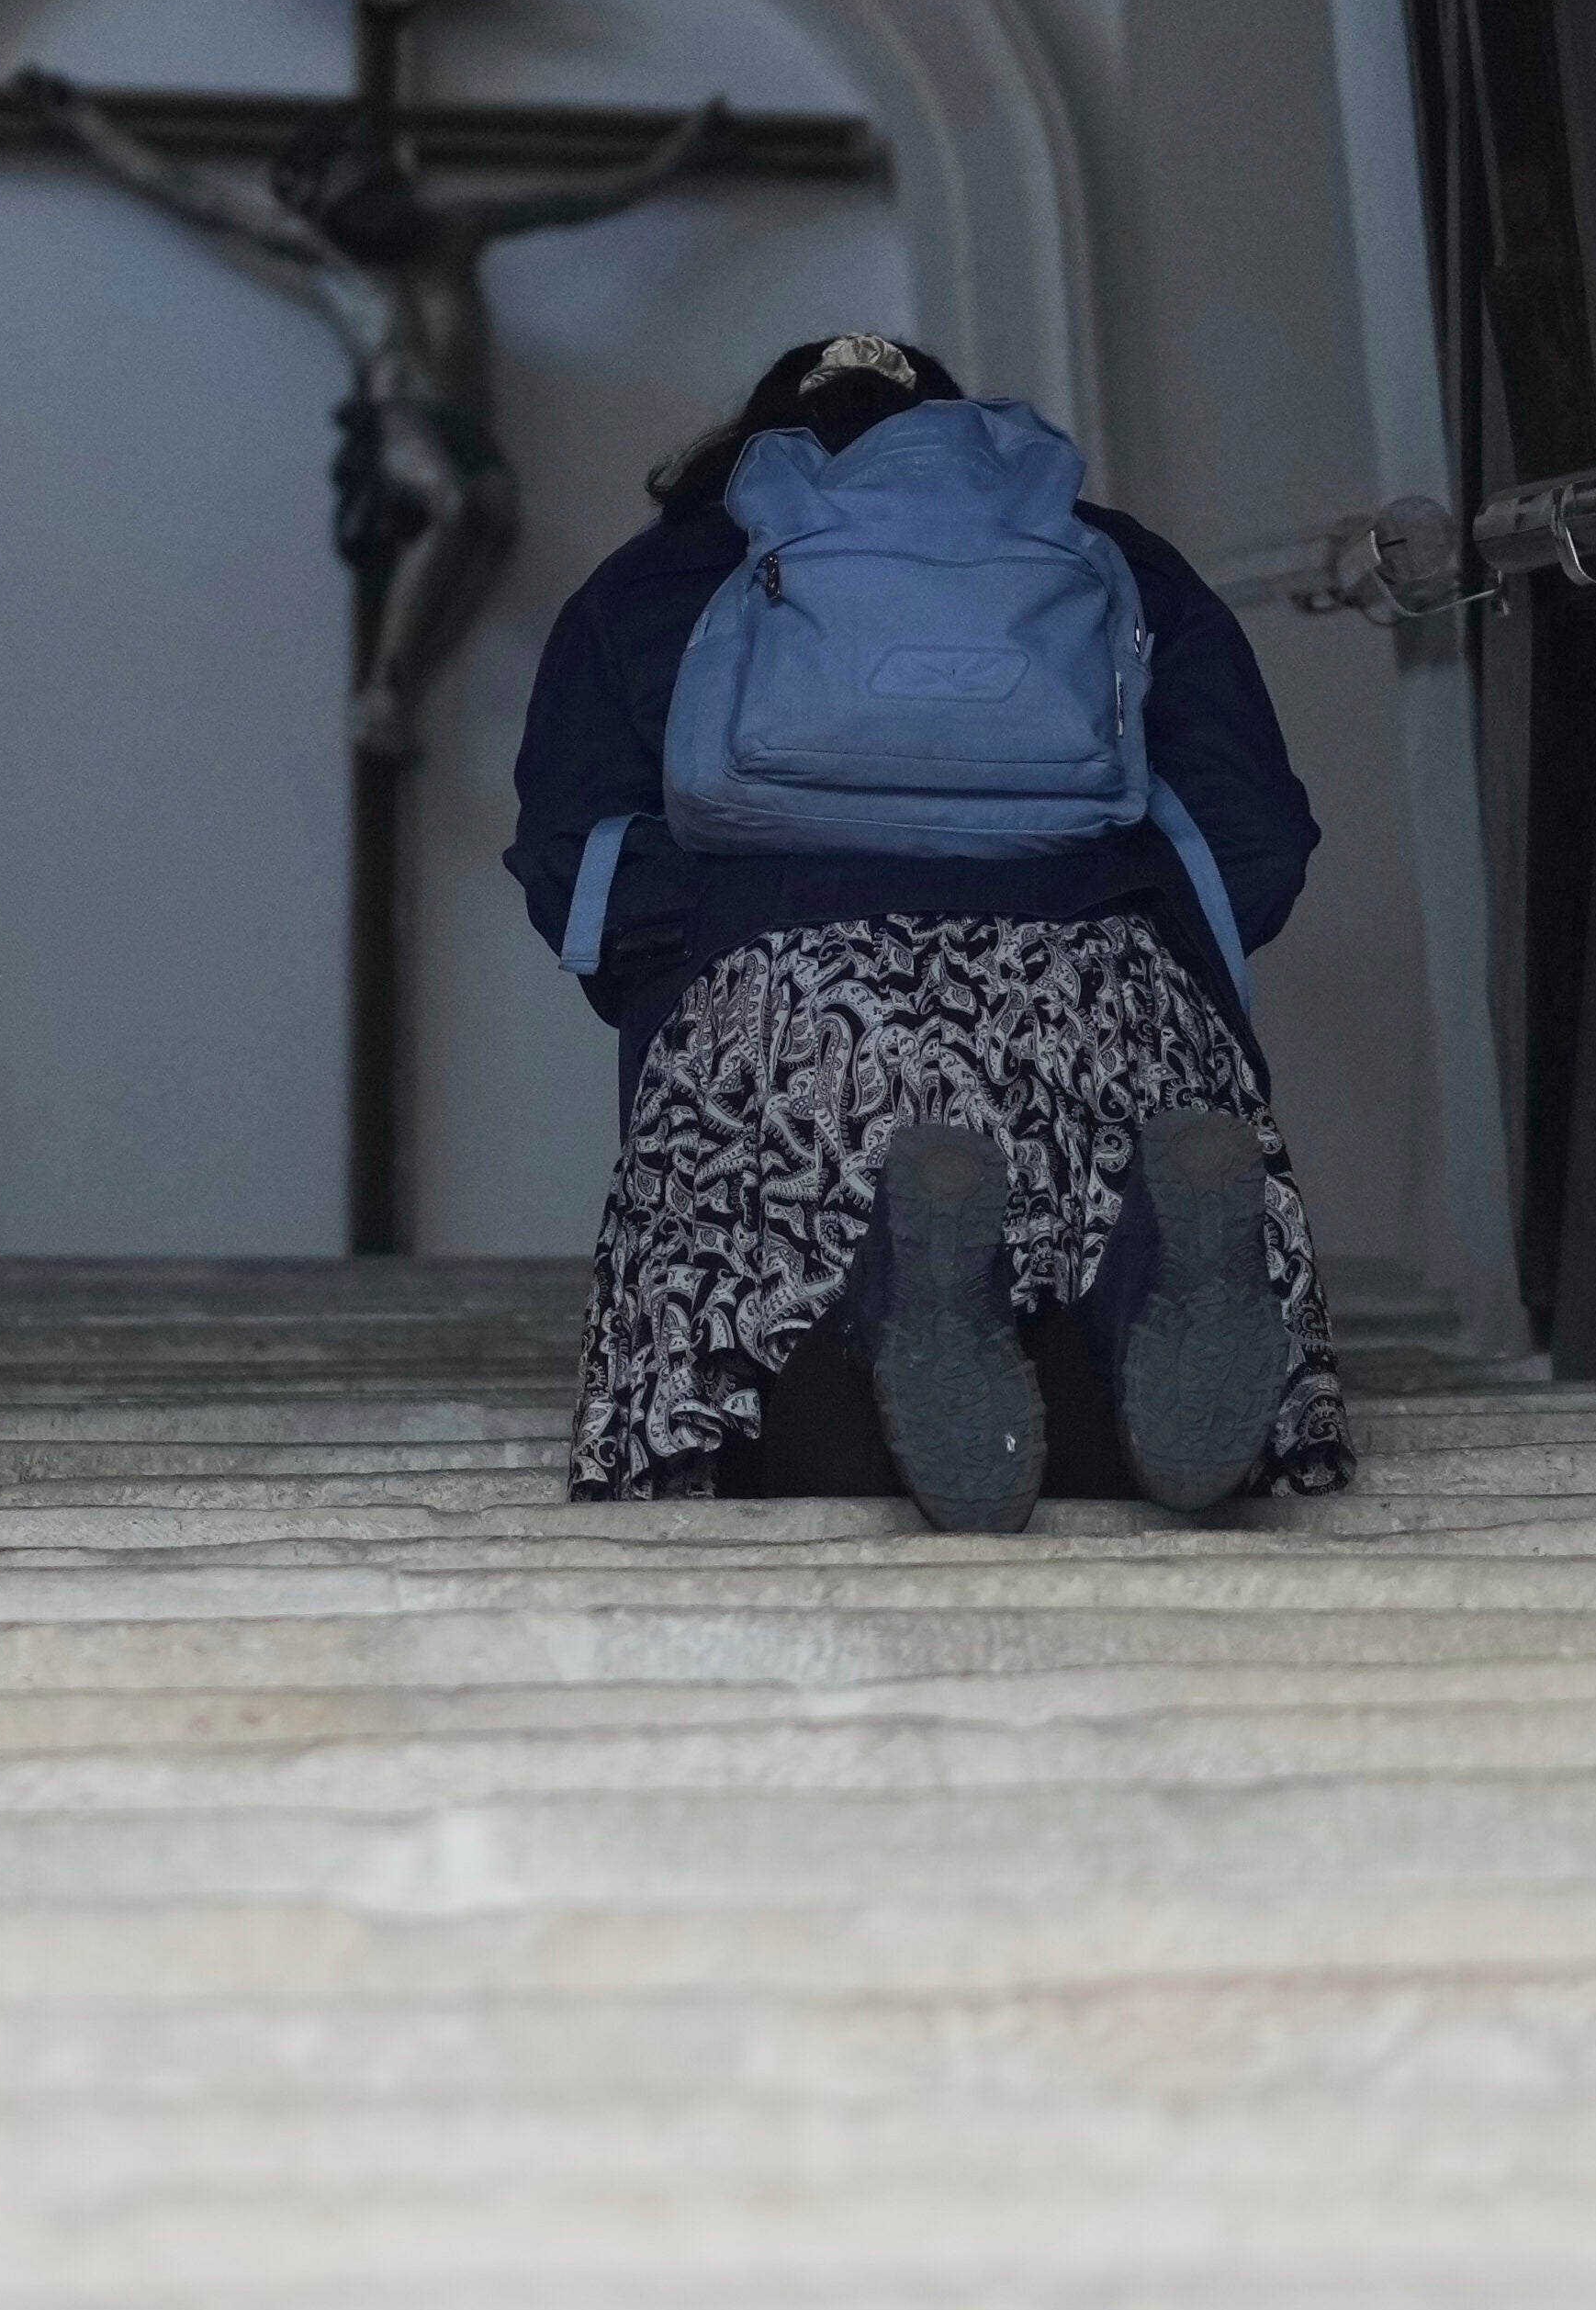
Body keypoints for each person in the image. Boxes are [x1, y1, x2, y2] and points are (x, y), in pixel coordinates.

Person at [500, 331, 1344, 1526]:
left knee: (798, 1418)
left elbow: (571, 869)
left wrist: (713, 931)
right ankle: (1163, 1250)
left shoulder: (659, 579)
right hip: (1105, 984)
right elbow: (1257, 835)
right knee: (1140, 1448)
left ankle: (912, 1288)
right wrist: (1135, 921)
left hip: (789, 1011)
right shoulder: (1112, 560)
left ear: (754, 450)